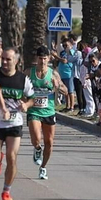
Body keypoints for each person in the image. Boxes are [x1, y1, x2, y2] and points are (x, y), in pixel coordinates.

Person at [0, 47, 31, 200]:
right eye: (3, 59)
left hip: (15, 123)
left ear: (16, 61)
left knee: (12, 157)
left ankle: (6, 191)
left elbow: (32, 97)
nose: (5, 62)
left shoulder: (22, 79)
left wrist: (26, 105)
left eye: (8, 59)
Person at [27, 47, 60, 180]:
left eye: (45, 58)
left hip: (49, 111)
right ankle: (37, 148)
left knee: (49, 142)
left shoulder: (53, 74)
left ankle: (43, 168)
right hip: (34, 110)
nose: (42, 61)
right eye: (40, 58)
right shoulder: (29, 72)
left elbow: (65, 90)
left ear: (49, 59)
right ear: (37, 58)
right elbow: (20, 85)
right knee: (36, 138)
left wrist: (57, 86)